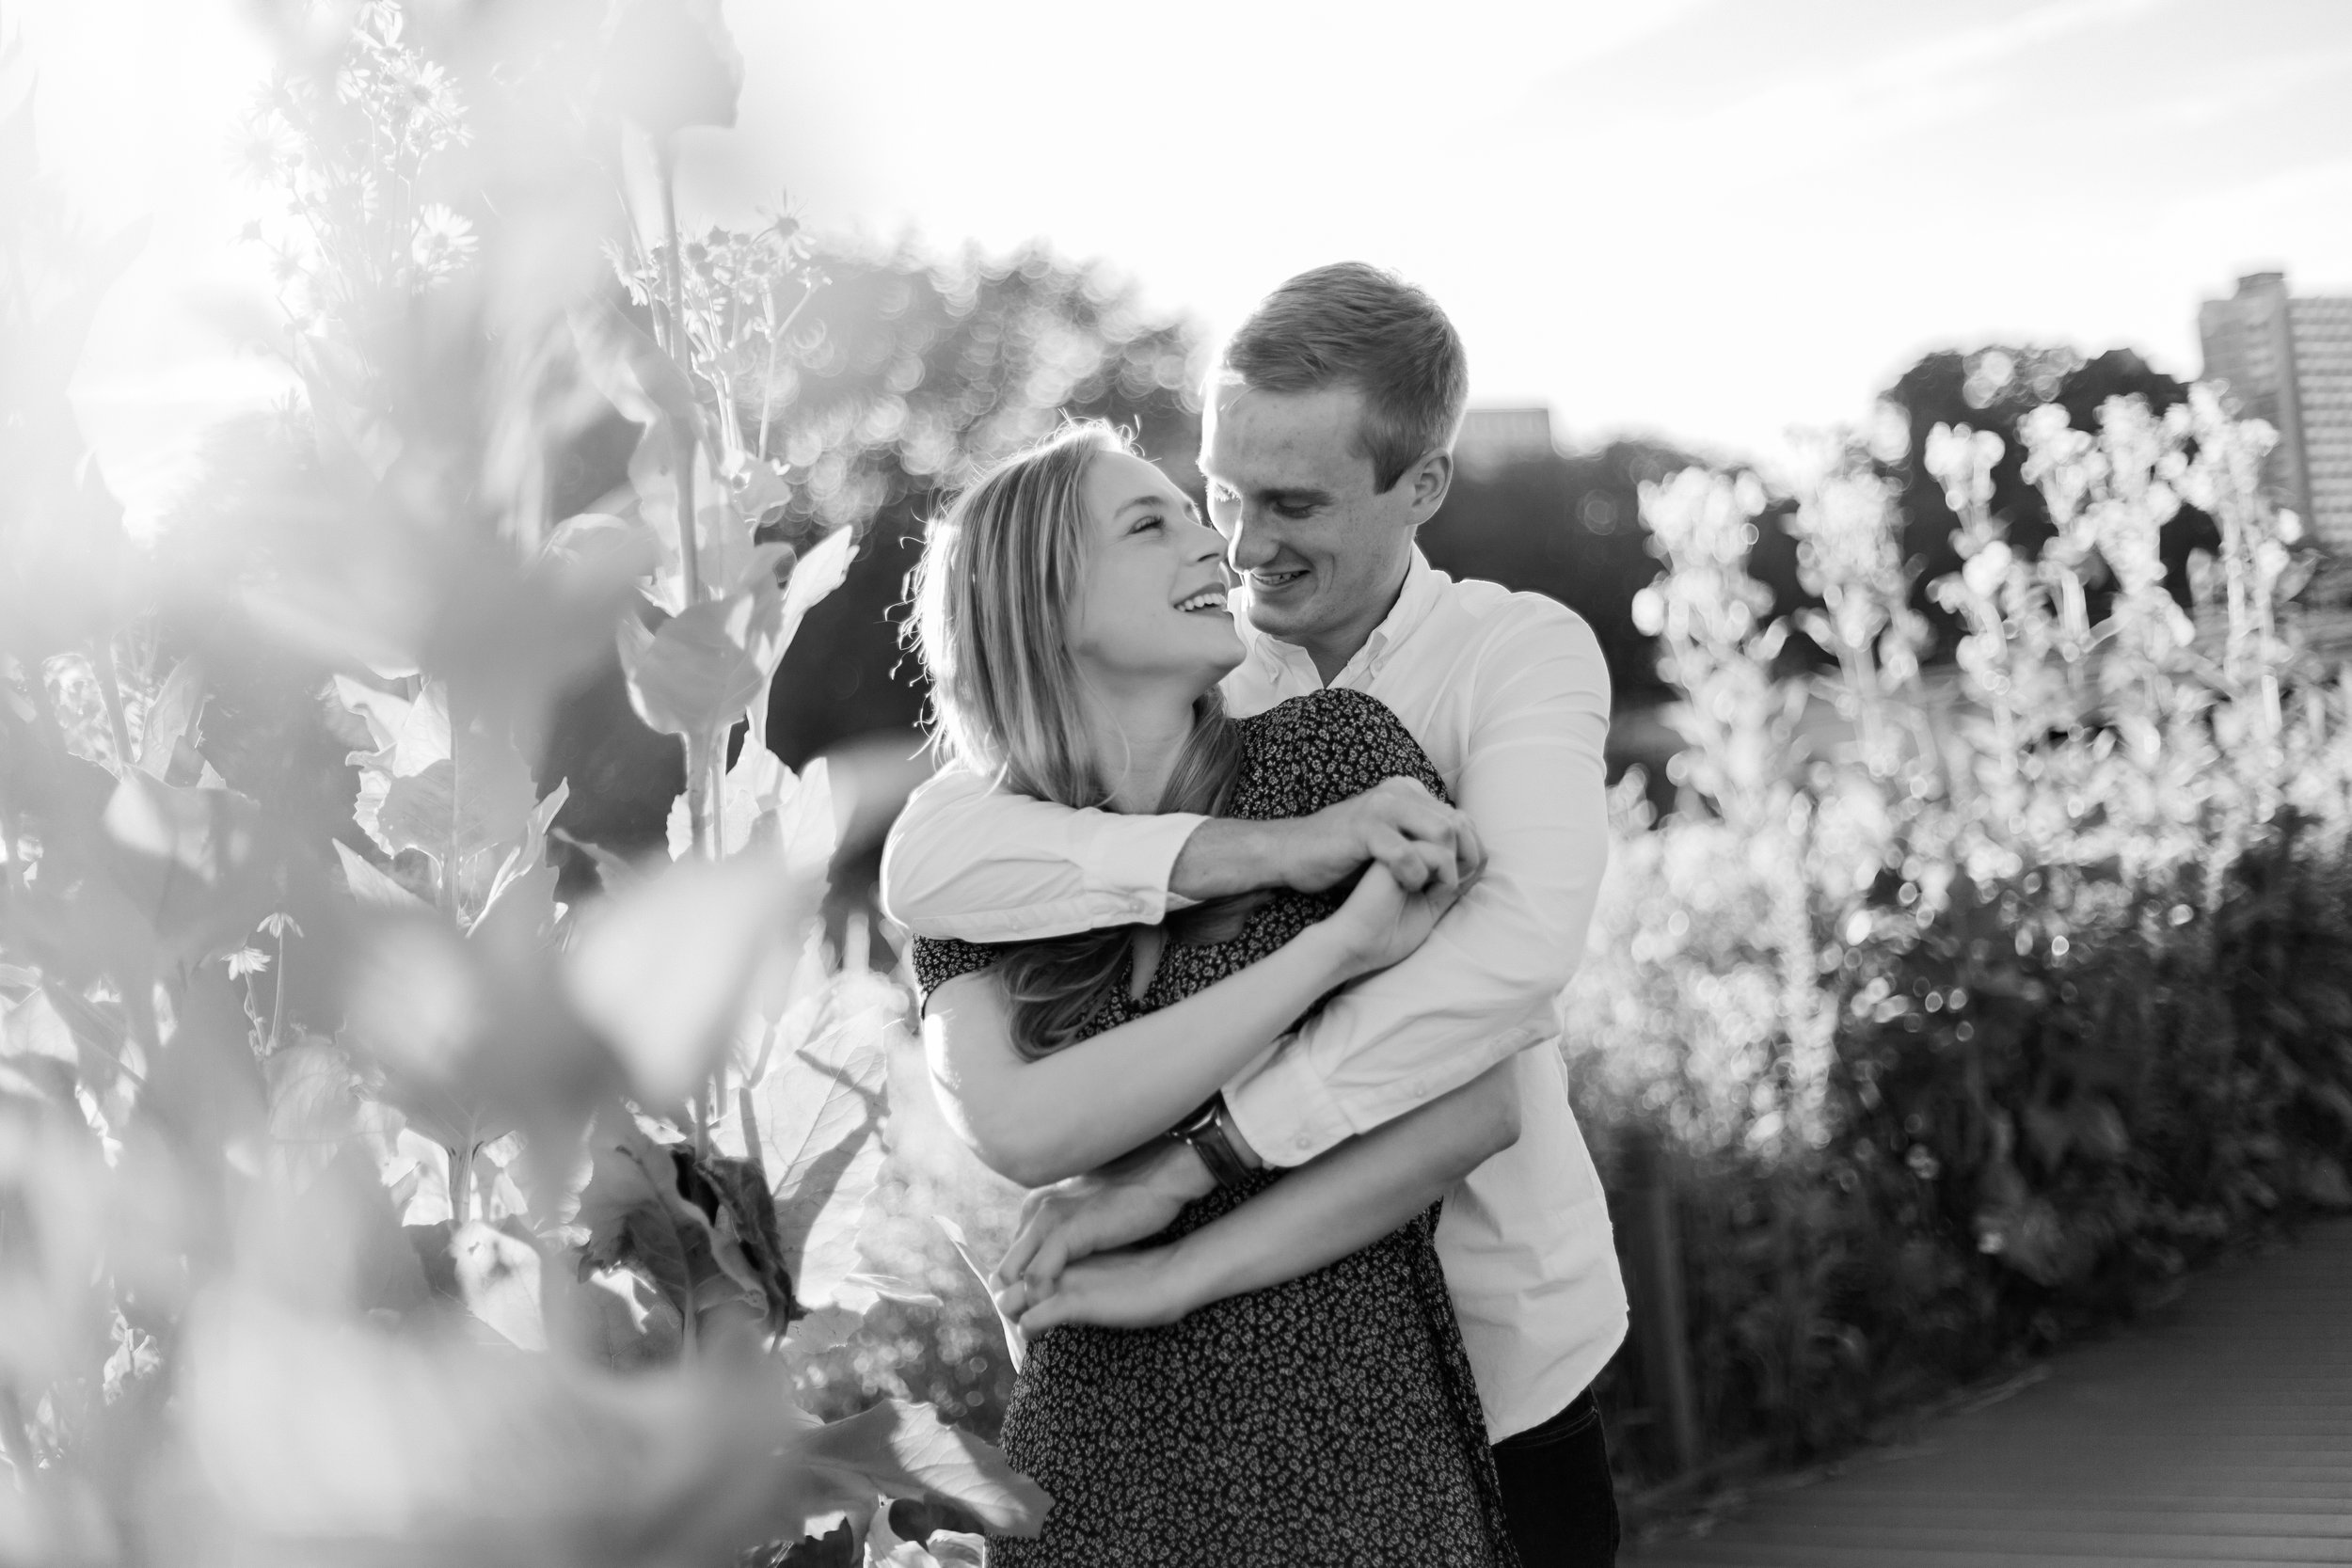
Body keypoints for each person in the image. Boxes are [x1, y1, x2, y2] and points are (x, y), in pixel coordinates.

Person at [883, 262, 1628, 1567]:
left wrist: (1190, 1171)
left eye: (1291, 504)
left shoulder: (1507, 662)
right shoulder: (1191, 676)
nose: (1236, 547)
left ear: (1422, 488)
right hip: (1133, 1413)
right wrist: (1270, 856)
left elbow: (1509, 974)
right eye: (1213, 497)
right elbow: (930, 864)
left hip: (1486, 1365)